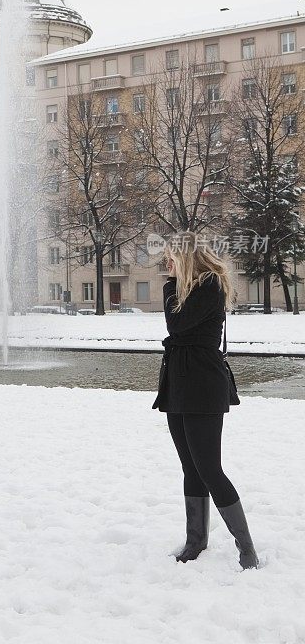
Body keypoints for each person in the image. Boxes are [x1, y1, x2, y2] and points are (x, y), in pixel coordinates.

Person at [152, 231, 259, 570]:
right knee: (190, 467)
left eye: (171, 256)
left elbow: (178, 325)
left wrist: (170, 285)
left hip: (202, 385)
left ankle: (247, 549)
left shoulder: (210, 285)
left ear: (185, 257)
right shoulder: (186, 288)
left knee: (210, 469)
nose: (166, 262)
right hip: (179, 383)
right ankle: (196, 540)